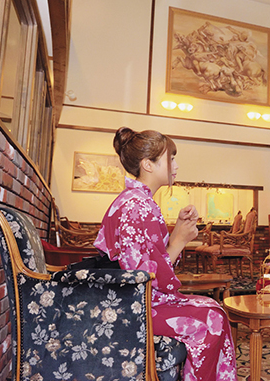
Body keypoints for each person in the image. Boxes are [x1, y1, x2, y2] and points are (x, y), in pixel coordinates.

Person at [94, 127, 237, 381]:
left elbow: (154, 259)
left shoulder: (138, 201)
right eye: (170, 158)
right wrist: (179, 240)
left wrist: (177, 233)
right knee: (212, 318)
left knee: (214, 308)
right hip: (133, 304)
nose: (176, 165)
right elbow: (141, 275)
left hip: (140, 298)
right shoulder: (136, 205)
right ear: (148, 164)